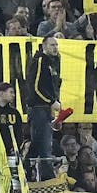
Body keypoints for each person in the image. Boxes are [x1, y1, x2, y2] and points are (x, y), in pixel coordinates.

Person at [25, 35, 63, 174]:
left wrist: (57, 106)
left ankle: (26, 170)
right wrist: (50, 102)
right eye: (52, 45)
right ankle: (47, 179)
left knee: (38, 144)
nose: (55, 48)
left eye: (56, 45)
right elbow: (35, 86)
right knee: (44, 146)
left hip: (48, 109)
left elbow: (54, 87)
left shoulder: (54, 62)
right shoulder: (40, 61)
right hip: (39, 108)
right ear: (44, 46)